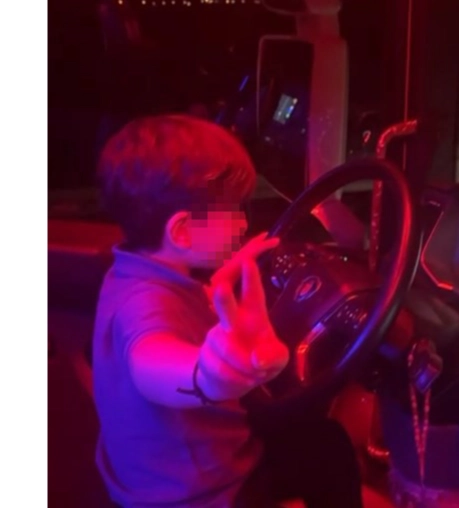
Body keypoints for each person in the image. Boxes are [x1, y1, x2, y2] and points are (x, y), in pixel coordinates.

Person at [92, 114, 363, 508]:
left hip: (169, 469)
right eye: (234, 210)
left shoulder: (134, 272)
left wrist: (219, 288)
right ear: (183, 232)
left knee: (322, 441)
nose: (243, 221)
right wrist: (209, 375)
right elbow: (150, 359)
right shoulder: (145, 302)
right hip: (198, 493)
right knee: (326, 448)